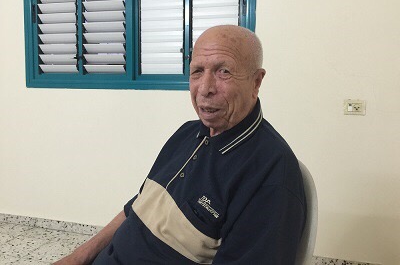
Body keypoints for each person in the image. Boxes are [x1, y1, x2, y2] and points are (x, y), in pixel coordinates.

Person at [55, 25, 306, 264]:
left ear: (256, 82)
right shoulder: (187, 134)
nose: (205, 88)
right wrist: (77, 257)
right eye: (197, 71)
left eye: (223, 71)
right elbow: (137, 207)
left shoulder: (271, 174)